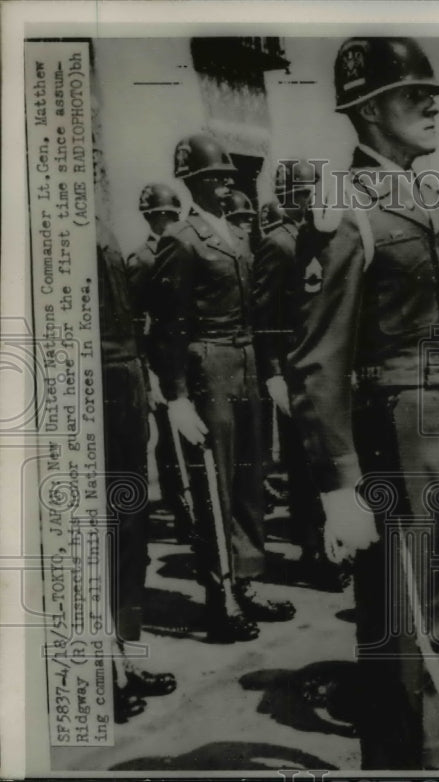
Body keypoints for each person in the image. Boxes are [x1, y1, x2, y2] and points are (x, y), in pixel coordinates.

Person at [286, 37, 439, 770]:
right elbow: (316, 360)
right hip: (391, 432)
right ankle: (401, 764)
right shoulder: (346, 210)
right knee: (404, 621)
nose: (432, 105)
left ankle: (437, 756)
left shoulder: (424, 198)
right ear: (367, 109)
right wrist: (337, 485)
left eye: (433, 93)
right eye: (412, 95)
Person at [147, 133, 295, 644]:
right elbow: (169, 323)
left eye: (227, 176)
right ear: (192, 182)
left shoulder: (238, 237)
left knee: (252, 477)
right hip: (207, 363)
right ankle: (221, 595)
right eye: (212, 177)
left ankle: (248, 579)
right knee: (215, 481)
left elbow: (260, 308)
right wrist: (177, 395)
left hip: (247, 359)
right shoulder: (181, 240)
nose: (223, 184)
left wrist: (271, 369)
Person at [251, 160, 348, 591]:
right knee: (306, 467)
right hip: (295, 371)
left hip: (329, 370)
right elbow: (265, 315)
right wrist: (273, 373)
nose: (311, 200)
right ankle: (316, 552)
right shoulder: (279, 243)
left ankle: (335, 546)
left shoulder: (322, 237)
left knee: (332, 461)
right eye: (304, 192)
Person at [97, 217, 177, 723]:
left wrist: (142, 378)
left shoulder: (98, 223)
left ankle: (123, 655)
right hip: (89, 387)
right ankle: (100, 671)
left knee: (129, 531)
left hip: (122, 383)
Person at [125, 184, 189, 543]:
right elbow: (134, 323)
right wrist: (147, 375)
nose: (166, 222)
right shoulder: (142, 259)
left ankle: (195, 511)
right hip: (159, 366)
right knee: (169, 444)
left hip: (184, 361)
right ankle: (182, 516)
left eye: (171, 216)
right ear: (150, 217)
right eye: (160, 216)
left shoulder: (181, 252)